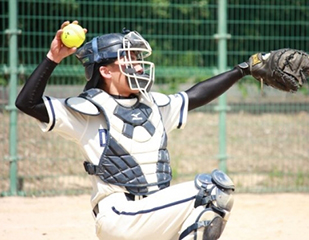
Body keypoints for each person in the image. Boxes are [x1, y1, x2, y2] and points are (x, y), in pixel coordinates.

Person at [15, 20, 252, 240]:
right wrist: (53, 58)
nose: (138, 66)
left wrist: (242, 70)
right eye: (129, 59)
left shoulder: (153, 104)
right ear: (105, 71)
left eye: (138, 58)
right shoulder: (87, 110)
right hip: (119, 215)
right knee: (212, 191)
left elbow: (195, 95)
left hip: (154, 213)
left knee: (202, 213)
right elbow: (27, 103)